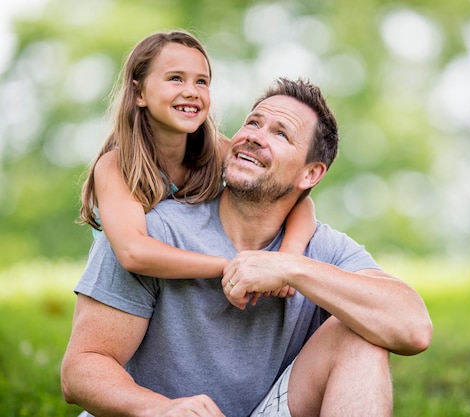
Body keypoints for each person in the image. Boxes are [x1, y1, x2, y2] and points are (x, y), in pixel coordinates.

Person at [61, 77, 433, 417]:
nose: (255, 136)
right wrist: (159, 409)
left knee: (361, 334)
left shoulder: (322, 249)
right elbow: (81, 369)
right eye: (253, 123)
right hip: (155, 412)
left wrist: (290, 267)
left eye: (281, 134)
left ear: (310, 174)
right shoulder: (156, 229)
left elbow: (413, 329)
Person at [79, 30, 315, 294]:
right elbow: (133, 253)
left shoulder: (217, 151)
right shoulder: (116, 166)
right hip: (125, 289)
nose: (191, 91)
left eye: (201, 82)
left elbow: (299, 199)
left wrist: (285, 262)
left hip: (187, 289)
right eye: (176, 79)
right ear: (139, 94)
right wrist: (232, 267)